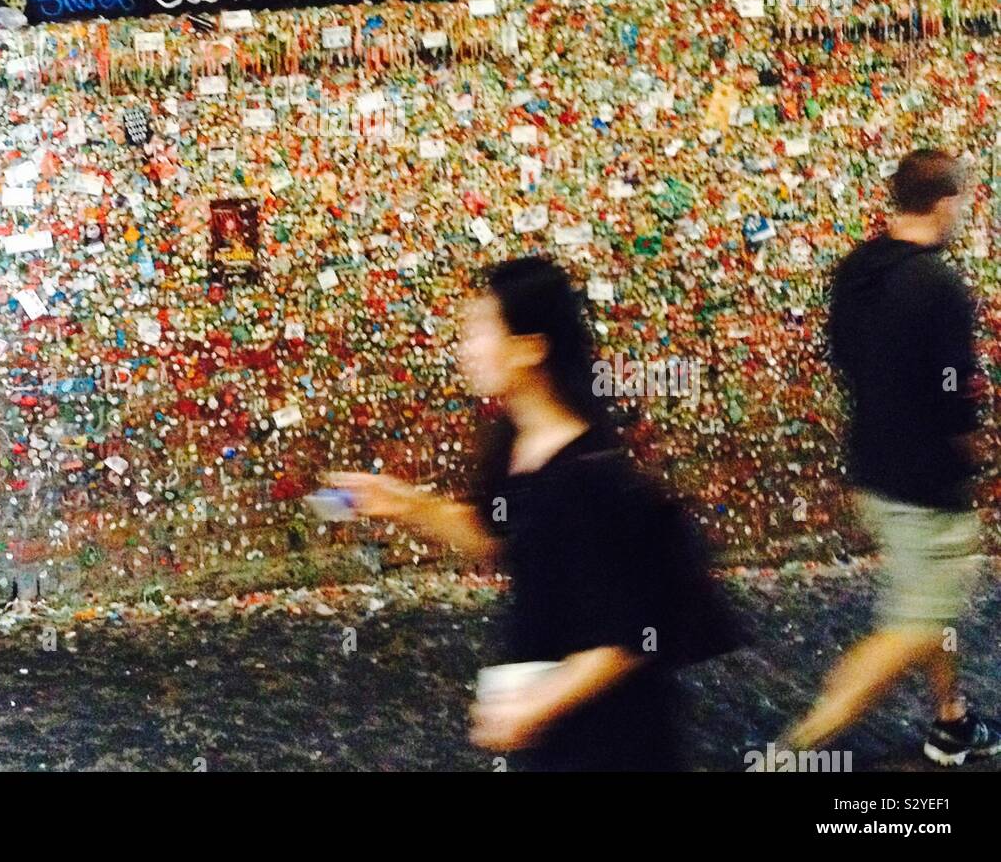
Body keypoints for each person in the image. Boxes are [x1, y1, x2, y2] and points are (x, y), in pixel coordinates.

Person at [328, 255, 745, 772]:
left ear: (530, 348)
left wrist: (534, 705)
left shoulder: (588, 479)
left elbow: (628, 637)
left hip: (614, 740)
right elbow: (494, 535)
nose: (466, 349)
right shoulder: (516, 442)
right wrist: (407, 505)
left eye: (479, 331)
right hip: (563, 730)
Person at [785, 148, 998, 765]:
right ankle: (801, 744)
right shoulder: (938, 284)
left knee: (927, 605)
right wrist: (971, 453)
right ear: (946, 201)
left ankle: (951, 720)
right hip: (926, 487)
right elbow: (956, 392)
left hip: (873, 474)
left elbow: (845, 358)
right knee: (913, 623)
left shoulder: (857, 270)